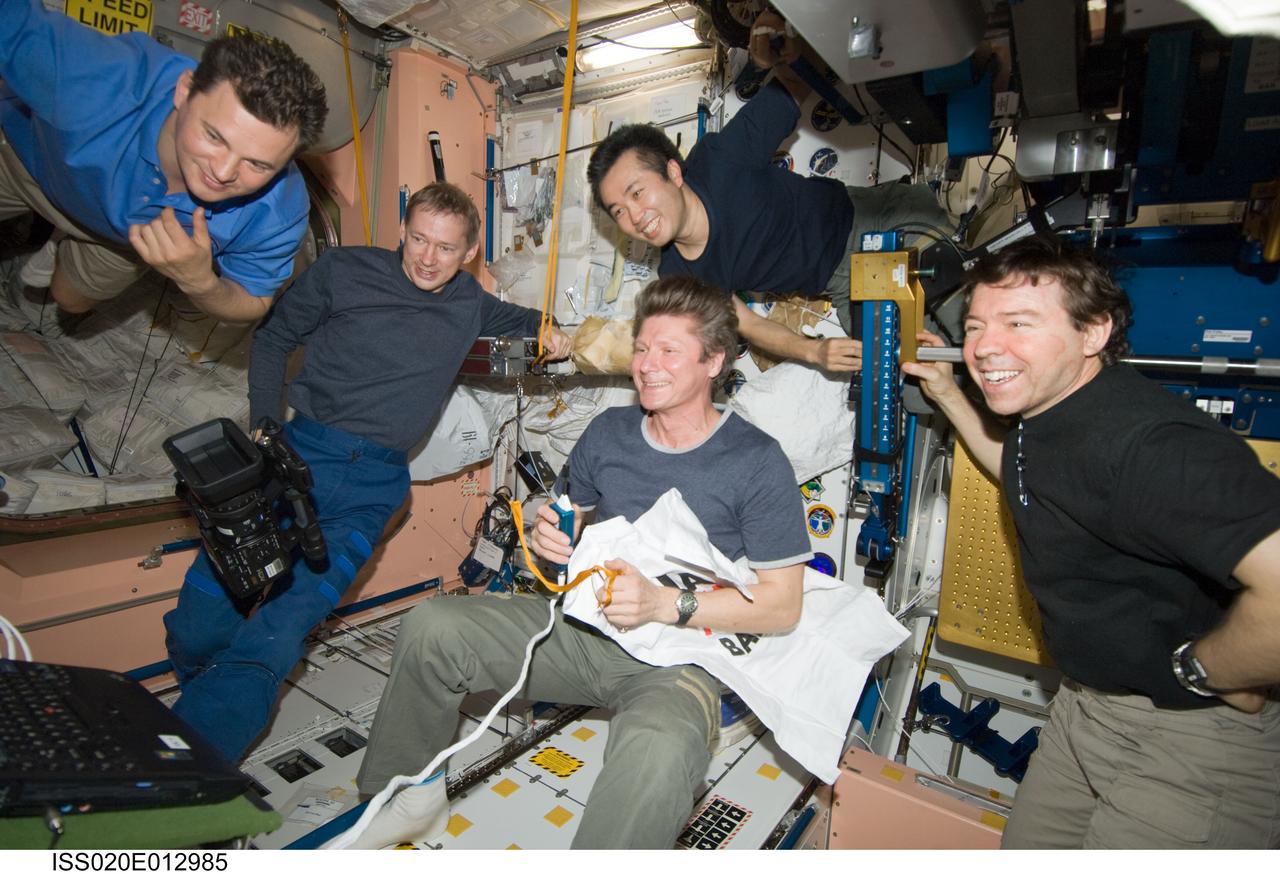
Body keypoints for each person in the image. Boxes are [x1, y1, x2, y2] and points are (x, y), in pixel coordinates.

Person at [349, 275, 811, 849]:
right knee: (432, 628)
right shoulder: (609, 432)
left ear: (714, 361)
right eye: (642, 348)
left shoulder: (755, 461)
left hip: (682, 658)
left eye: (669, 351)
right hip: (583, 629)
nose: (647, 364)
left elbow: (782, 604)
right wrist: (551, 531)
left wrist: (666, 602)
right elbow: (568, 512)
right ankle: (413, 795)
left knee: (658, 750)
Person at [162, 182, 572, 761]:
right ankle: (197, 707)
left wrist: (550, 327)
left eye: (447, 248)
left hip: (372, 490)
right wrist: (263, 421)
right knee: (200, 619)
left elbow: (524, 318)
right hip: (294, 459)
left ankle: (184, 770)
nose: (429, 258)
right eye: (420, 238)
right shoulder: (342, 270)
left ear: (470, 253)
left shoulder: (470, 303)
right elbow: (274, 336)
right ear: (402, 229)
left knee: (281, 629)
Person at [900, 236, 1280, 849]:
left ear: (1094, 332)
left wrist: (1204, 667)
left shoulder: (1151, 445)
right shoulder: (1049, 415)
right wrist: (947, 394)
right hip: (1082, 713)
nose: (985, 346)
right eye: (975, 326)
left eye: (1018, 323)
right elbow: (1021, 470)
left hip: (1189, 743)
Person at [585, 10, 947, 374]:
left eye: (636, 194)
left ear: (673, 172)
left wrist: (783, 44)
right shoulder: (678, 275)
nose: (634, 218)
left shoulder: (721, 160)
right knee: (907, 370)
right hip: (843, 283)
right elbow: (749, 324)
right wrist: (814, 353)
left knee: (960, 312)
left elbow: (794, 86)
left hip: (878, 217)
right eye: (617, 211)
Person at [0, 0, 327, 323]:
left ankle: (61, 242)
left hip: (125, 238)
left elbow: (254, 299)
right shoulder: (103, 77)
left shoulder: (280, 209)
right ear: (184, 90)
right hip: (27, 165)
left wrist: (200, 282)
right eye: (214, 137)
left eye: (258, 164)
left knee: (70, 301)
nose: (223, 173)